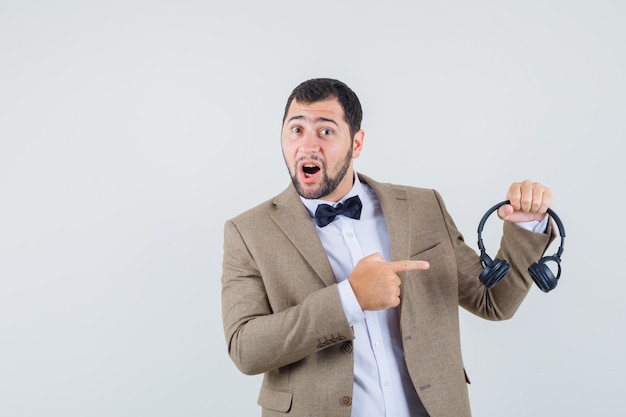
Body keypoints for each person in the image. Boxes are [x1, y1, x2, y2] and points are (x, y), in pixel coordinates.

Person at [221, 78, 555, 417]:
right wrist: (349, 298)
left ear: (357, 142)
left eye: (325, 132)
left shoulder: (422, 207)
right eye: (296, 130)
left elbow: (494, 301)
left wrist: (526, 227)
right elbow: (246, 349)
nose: (307, 146)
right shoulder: (248, 232)